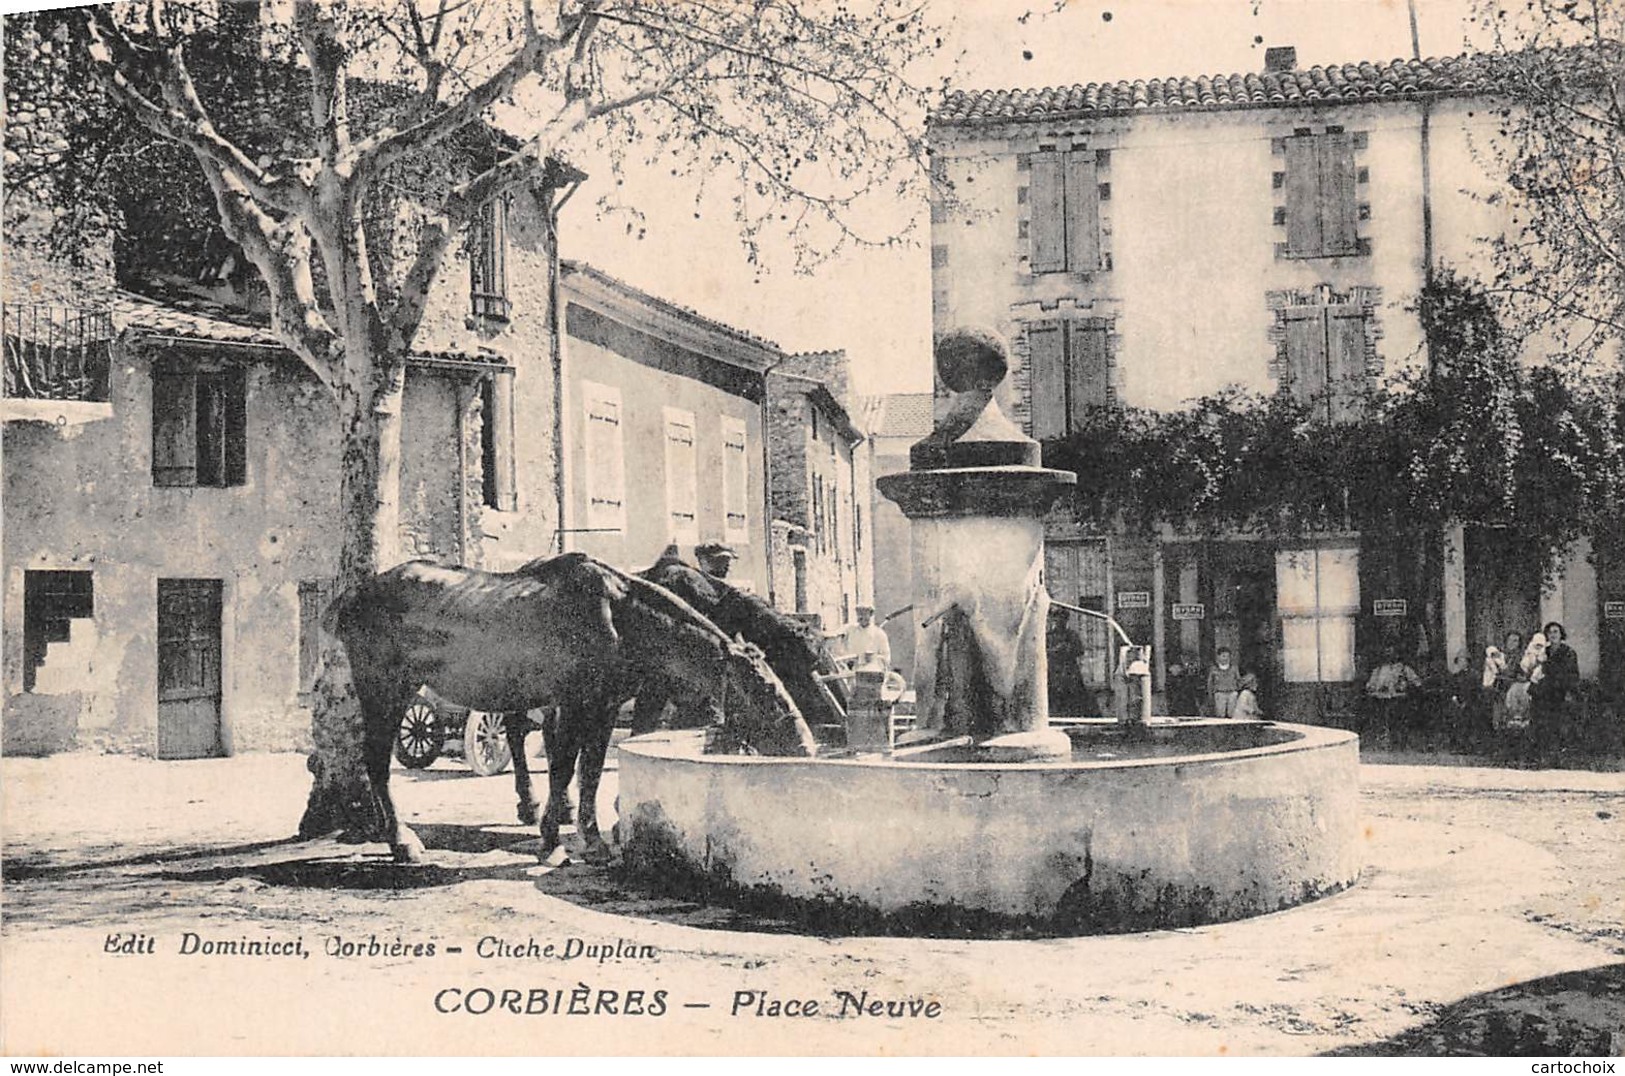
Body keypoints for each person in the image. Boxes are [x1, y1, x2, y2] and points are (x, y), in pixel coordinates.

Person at [1531, 621, 1580, 752]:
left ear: (1561, 634)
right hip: (1545, 690)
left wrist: (1570, 691)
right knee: (1543, 718)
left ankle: (1562, 746)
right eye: (1549, 632)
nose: (1552, 635)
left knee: (1560, 719)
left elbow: (1572, 674)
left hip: (1561, 690)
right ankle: (1544, 745)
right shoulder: (1543, 651)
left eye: (1555, 632)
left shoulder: (1568, 652)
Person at [1365, 646, 1423, 748]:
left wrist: (1406, 685)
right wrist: (1376, 687)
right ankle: (1384, 740)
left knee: (1399, 719)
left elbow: (1417, 682)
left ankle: (1400, 741)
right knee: (1382, 718)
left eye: (1391, 652)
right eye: (1387, 652)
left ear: (1397, 654)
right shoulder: (1378, 670)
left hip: (1399, 700)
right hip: (1381, 700)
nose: (1389, 655)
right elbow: (1370, 685)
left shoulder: (1404, 669)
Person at [1045, 608, 1089, 716]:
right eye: (1057, 618)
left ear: (1066, 620)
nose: (1060, 621)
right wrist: (1055, 650)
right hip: (1054, 672)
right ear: (1054, 620)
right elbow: (1042, 652)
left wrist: (1068, 649)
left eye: (1063, 619)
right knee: (1054, 698)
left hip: (1070, 671)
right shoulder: (1049, 636)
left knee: (1074, 698)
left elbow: (1080, 650)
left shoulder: (1072, 635)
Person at [1207, 647, 1240, 718]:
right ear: (1218, 657)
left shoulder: (1234, 668)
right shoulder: (1214, 669)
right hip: (1220, 694)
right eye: (1223, 656)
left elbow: (1238, 680)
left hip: (1232, 694)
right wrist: (1211, 696)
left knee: (1232, 714)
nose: (1226, 658)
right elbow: (1210, 684)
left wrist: (1236, 691)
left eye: (1228, 656)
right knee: (1220, 715)